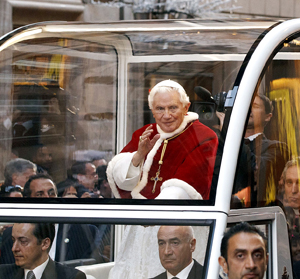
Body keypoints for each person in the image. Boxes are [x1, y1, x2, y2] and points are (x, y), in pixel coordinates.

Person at [107, 79, 218, 200]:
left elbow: (186, 187)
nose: (166, 115)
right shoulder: (144, 133)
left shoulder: (203, 136)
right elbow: (121, 180)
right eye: (160, 108)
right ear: (152, 111)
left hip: (176, 214)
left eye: (173, 108)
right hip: (138, 211)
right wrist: (139, 155)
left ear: (186, 108)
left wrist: (155, 212)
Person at [1, 174, 104, 264]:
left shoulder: (83, 232)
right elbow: (8, 273)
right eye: (40, 194)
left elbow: (94, 269)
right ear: (28, 200)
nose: (48, 198)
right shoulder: (11, 235)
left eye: (51, 193)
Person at [233, 94, 289, 206]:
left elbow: (259, 170)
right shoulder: (220, 143)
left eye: (255, 106)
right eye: (245, 105)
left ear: (268, 116)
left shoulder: (277, 148)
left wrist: (231, 134)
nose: (248, 109)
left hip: (257, 216)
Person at [0, 223, 86, 279]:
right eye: (13, 240)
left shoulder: (71, 277)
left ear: (45, 244)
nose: (14, 248)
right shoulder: (2, 274)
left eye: (23, 241)